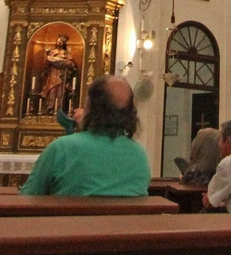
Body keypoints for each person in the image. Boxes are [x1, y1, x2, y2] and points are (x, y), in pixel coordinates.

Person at [20, 75, 149, 197]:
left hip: (69, 221)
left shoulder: (61, 148)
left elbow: (29, 197)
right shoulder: (139, 154)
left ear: (89, 105)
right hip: (127, 221)